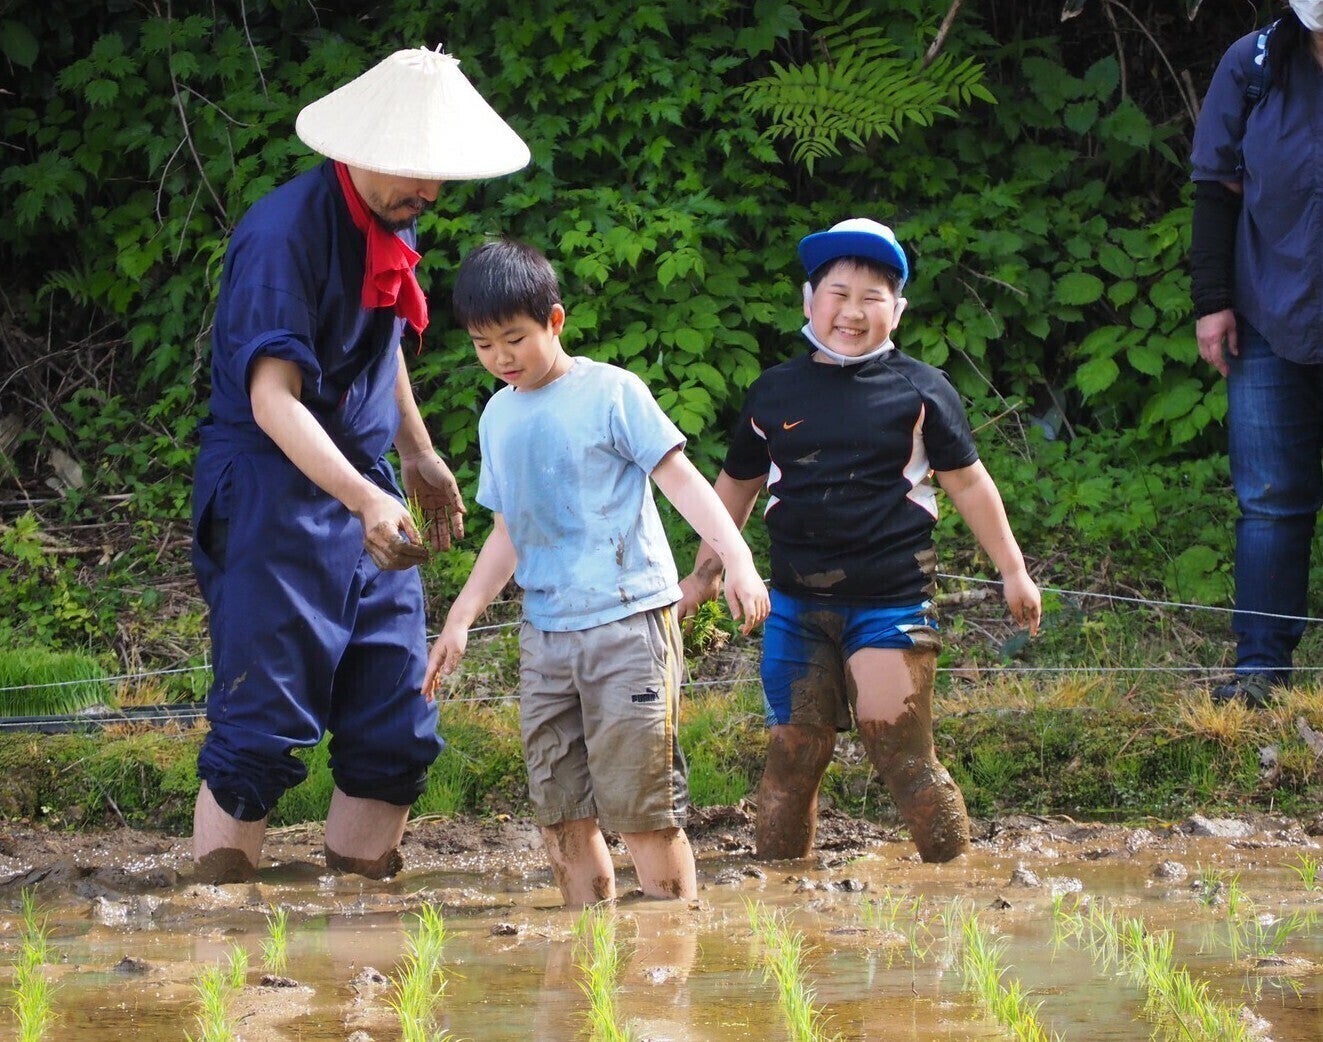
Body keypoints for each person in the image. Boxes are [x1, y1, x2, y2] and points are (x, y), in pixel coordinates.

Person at [189, 47, 531, 884]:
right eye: (415, 173)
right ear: (359, 149)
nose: (428, 192)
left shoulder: (390, 217)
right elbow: (273, 400)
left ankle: (359, 933)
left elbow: (383, 338)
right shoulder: (283, 235)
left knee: (394, 716)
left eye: (438, 176)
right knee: (262, 722)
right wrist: (362, 500)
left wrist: (415, 454)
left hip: (365, 477)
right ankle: (220, 930)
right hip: (274, 487)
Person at [678, 218, 1041, 863]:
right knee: (792, 754)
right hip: (794, 604)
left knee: (900, 750)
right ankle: (783, 897)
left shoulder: (921, 389)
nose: (852, 312)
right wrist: (703, 576)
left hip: (892, 603)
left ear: (896, 311)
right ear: (808, 301)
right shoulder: (774, 391)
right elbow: (733, 489)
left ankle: (957, 887)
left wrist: (1012, 570)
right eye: (837, 293)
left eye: (872, 298)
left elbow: (970, 486)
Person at [423, 239, 770, 906]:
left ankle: (670, 952)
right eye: (483, 344)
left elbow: (680, 480)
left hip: (627, 624)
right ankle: (587, 954)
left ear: (554, 321)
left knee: (644, 807)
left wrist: (737, 560)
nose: (500, 358)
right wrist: (460, 618)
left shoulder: (611, 392)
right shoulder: (498, 416)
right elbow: (508, 533)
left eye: (514, 339)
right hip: (545, 635)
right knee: (558, 810)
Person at [1190, 2, 1323, 708]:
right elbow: (1215, 188)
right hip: (1272, 312)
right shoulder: (1254, 66)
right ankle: (1260, 673)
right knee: (1270, 502)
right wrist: (1211, 299)